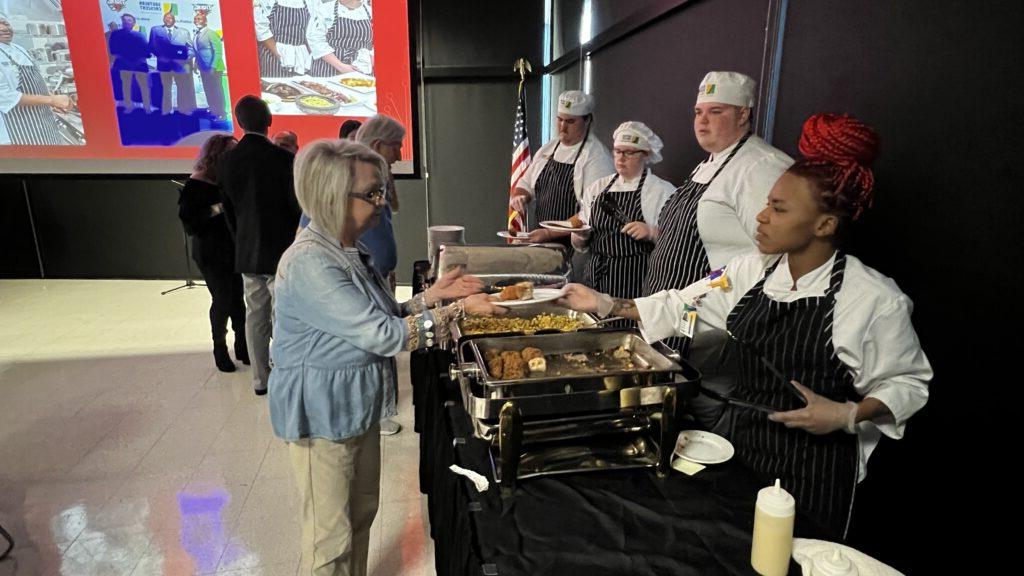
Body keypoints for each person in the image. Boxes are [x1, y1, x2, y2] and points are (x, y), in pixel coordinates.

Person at [557, 113, 931, 539]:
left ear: (824, 225)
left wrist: (848, 413)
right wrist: (607, 303)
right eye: (767, 203)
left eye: (778, 208)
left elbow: (907, 384)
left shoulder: (873, 299)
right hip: (743, 445)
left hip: (815, 468)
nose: (761, 217)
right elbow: (686, 302)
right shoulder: (751, 270)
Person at [269, 138, 504, 576]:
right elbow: (382, 335)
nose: (382, 203)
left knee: (359, 516)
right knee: (330, 539)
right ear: (332, 195)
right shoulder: (310, 262)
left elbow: (380, 314)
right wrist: (454, 312)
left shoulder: (347, 250)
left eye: (381, 190)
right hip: (322, 417)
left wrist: (432, 297)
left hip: (353, 409)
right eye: (372, 193)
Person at [643, 71, 793, 355]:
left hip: (708, 325)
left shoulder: (761, 166)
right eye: (698, 112)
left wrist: (704, 293)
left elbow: (773, 257)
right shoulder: (708, 163)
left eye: (715, 111)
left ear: (743, 115)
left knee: (704, 396)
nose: (702, 120)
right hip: (671, 317)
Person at [219, 95, 301, 395]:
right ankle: (286, 373)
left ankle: (260, 380)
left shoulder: (226, 161)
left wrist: (241, 240)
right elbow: (296, 208)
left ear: (239, 123)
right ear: (269, 121)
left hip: (246, 252)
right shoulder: (284, 160)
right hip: (282, 251)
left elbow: (228, 210)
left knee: (255, 317)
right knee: (284, 315)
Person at [571, 121, 674, 309]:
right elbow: (580, 245)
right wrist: (579, 235)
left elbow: (678, 243)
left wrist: (652, 232)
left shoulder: (661, 191)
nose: (621, 158)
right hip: (596, 279)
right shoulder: (597, 188)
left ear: (645, 155)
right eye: (617, 151)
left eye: (629, 152)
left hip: (636, 281)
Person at [178, 135, 248, 372]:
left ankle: (243, 344)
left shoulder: (230, 180)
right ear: (216, 155)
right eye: (230, 152)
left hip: (233, 247)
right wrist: (220, 208)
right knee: (222, 299)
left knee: (238, 298)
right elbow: (190, 223)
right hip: (211, 250)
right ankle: (220, 348)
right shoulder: (196, 184)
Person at [510, 90, 614, 245]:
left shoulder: (597, 159)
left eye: (570, 122)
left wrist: (549, 233)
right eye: (560, 120)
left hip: (575, 247)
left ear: (588, 120)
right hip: (541, 240)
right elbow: (525, 184)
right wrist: (519, 197)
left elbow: (593, 210)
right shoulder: (549, 149)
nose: (563, 128)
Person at [0, 13, 71, 145]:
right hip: (18, 129)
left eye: (6, 24)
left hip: (44, 122)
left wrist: (52, 101)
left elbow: (34, 83)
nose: (4, 28)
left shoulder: (19, 49)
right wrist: (51, 100)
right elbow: (5, 97)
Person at [308, 0, 374, 77]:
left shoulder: (371, 12)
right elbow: (315, 39)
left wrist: (367, 63)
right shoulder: (325, 9)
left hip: (362, 68)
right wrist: (340, 66)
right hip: (328, 67)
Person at [149, 11, 195, 115]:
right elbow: (151, 46)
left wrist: (187, 57)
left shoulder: (184, 32)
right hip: (163, 65)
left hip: (180, 66)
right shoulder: (155, 30)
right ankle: (166, 110)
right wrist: (161, 56)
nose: (167, 19)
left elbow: (191, 48)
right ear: (163, 19)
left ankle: (183, 109)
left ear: (174, 19)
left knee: (182, 88)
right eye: (166, 17)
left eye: (170, 17)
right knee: (166, 88)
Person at [255, 0, 313, 77]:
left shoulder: (312, 2)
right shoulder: (266, 1)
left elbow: (313, 32)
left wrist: (308, 58)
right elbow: (261, 29)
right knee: (276, 87)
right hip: (272, 57)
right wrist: (280, 56)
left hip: (300, 60)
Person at [108, 13, 151, 113]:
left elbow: (147, 53)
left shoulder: (140, 36)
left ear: (134, 23)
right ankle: (126, 111)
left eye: (129, 20)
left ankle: (145, 111)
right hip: (122, 67)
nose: (126, 22)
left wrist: (137, 59)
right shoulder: (115, 35)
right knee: (124, 91)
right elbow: (113, 51)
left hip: (139, 67)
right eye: (124, 20)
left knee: (142, 91)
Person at [192, 11, 226, 119]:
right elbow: (197, 52)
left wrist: (213, 67)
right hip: (203, 68)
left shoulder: (211, 33)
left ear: (205, 21)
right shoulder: (196, 34)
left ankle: (222, 113)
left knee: (216, 91)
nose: (197, 20)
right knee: (208, 90)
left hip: (214, 68)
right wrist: (196, 64)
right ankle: (213, 110)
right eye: (195, 19)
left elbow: (218, 51)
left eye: (199, 19)